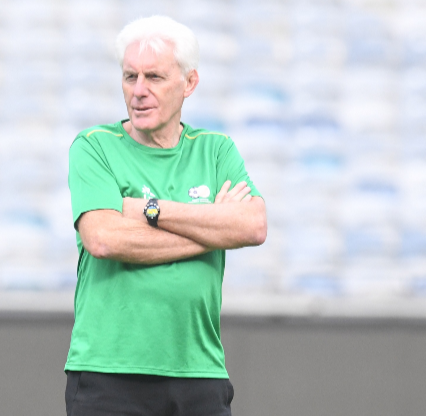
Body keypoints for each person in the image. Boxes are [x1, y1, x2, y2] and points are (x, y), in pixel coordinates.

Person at [64, 15, 267, 416]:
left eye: (154, 77)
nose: (139, 91)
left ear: (189, 83)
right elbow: (105, 239)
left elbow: (253, 225)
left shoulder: (216, 150)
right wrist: (211, 225)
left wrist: (149, 210)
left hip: (199, 371)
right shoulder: (95, 146)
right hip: (109, 372)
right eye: (130, 77)